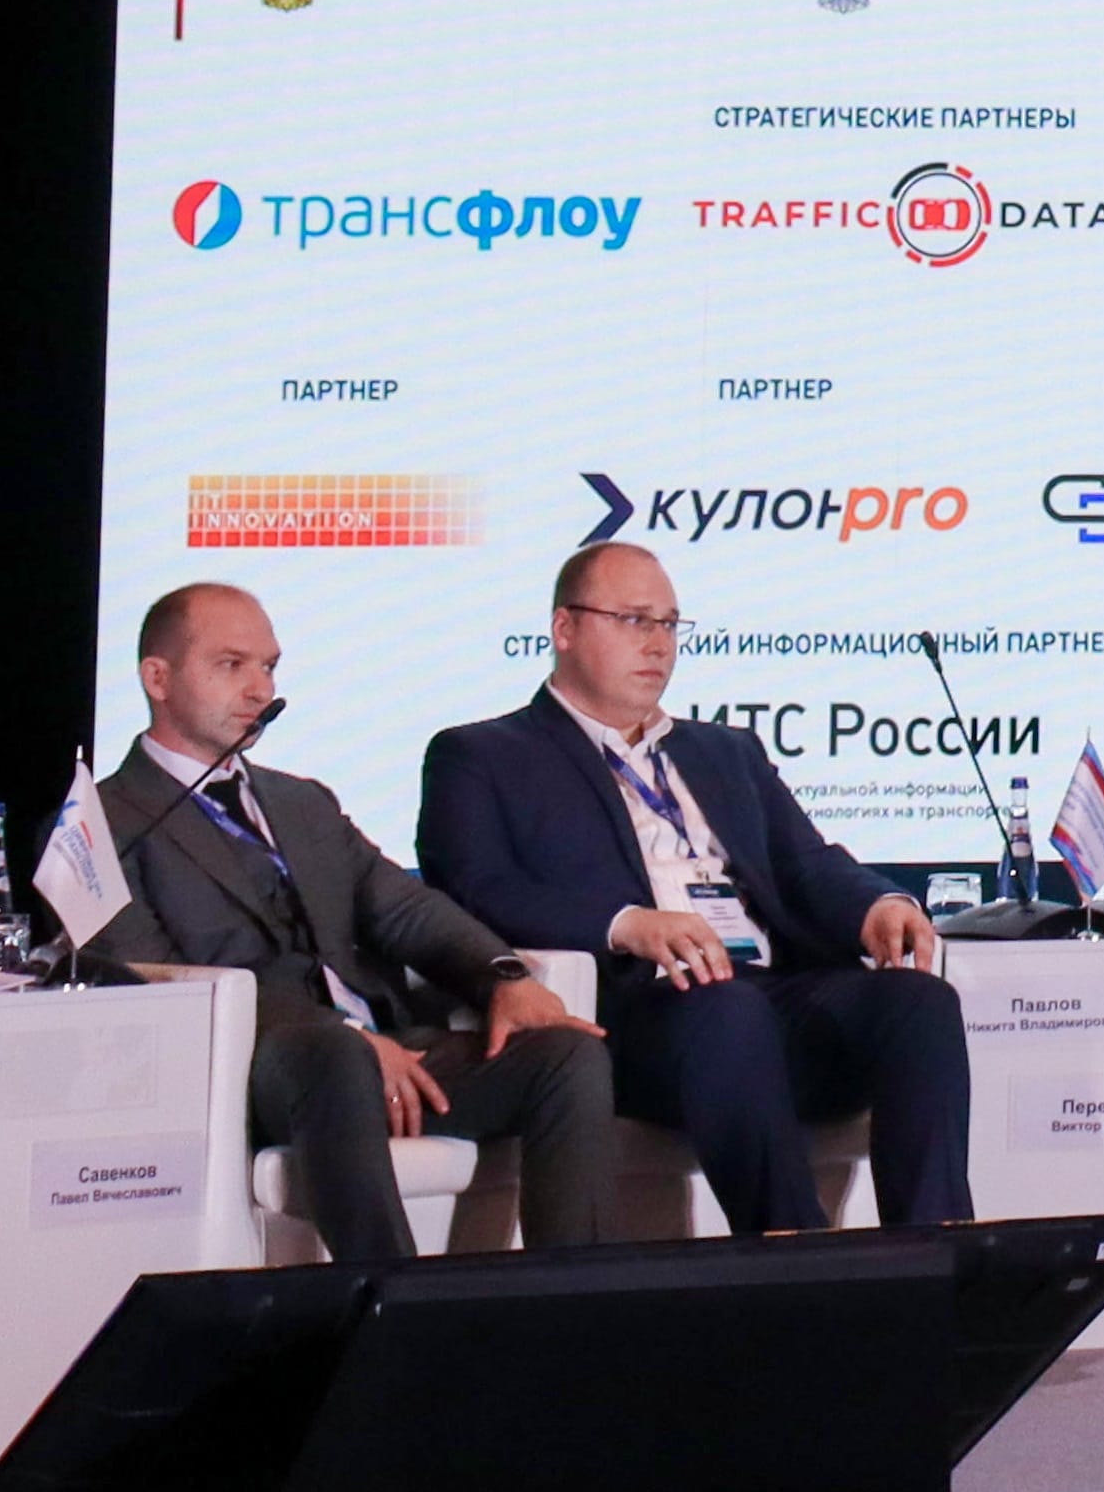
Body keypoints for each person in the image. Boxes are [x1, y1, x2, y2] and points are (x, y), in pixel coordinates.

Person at [415, 540, 971, 1237]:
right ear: (564, 628)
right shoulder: (483, 754)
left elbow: (804, 861)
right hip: (642, 1015)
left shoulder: (724, 750)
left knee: (918, 1002)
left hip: (772, 994)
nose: (658, 644)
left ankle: (938, 1252)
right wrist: (626, 922)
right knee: (727, 1011)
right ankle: (796, 1252)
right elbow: (475, 887)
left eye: (670, 624)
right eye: (633, 620)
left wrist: (878, 903)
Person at [73, 580, 613, 1260]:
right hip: (255, 1064)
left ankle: (565, 1298)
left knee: (567, 1055)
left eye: (269, 667)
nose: (259, 688)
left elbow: (406, 908)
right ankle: (394, 1299)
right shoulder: (101, 823)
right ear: (157, 677)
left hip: (387, 1049)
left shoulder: (302, 802)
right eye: (231, 665)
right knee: (334, 1056)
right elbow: (157, 982)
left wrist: (502, 974)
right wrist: (348, 1037)